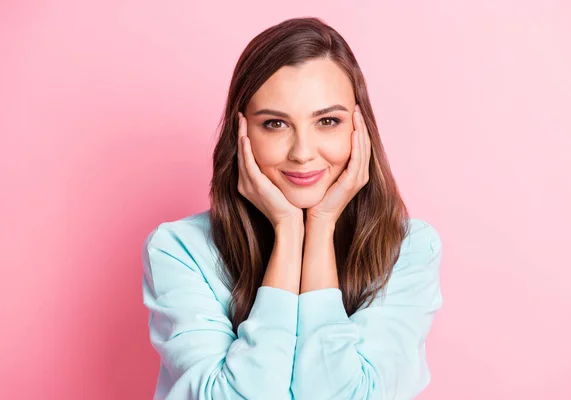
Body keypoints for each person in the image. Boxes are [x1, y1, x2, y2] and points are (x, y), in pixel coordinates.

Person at [141, 16, 443, 400]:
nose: (302, 153)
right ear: (242, 132)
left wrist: (320, 226)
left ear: (359, 129)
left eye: (328, 121)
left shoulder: (410, 248)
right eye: (275, 124)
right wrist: (288, 230)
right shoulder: (179, 250)